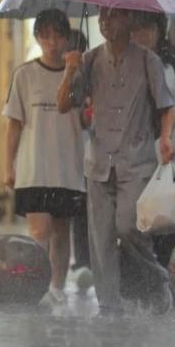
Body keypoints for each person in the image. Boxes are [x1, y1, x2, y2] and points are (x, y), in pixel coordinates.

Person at [56, 7, 175, 316]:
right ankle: (109, 304)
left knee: (128, 226)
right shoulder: (90, 59)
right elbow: (64, 104)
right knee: (101, 238)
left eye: (114, 15)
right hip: (98, 161)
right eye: (101, 16)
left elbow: (167, 105)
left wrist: (166, 138)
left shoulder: (148, 60)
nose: (105, 21)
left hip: (136, 159)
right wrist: (70, 69)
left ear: (130, 20)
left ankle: (158, 278)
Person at [3, 9, 86, 305]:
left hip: (67, 166)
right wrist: (8, 165)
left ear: (67, 37)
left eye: (58, 35)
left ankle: (57, 287)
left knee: (62, 231)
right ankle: (36, 286)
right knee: (40, 230)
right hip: (34, 167)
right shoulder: (24, 74)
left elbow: (87, 118)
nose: (52, 41)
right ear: (37, 37)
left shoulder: (80, 73)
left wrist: (72, 71)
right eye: (45, 35)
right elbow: (14, 124)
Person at [131, 12, 175, 270]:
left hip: (172, 162)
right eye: (136, 28)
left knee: (172, 227)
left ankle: (170, 283)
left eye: (147, 28)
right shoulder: (123, 66)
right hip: (134, 164)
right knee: (137, 231)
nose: (141, 35)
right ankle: (145, 288)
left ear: (160, 30)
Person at [67, 28, 95, 295]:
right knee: (78, 210)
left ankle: (90, 261)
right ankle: (82, 262)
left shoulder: (91, 73)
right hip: (72, 152)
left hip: (92, 149)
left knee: (88, 209)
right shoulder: (65, 77)